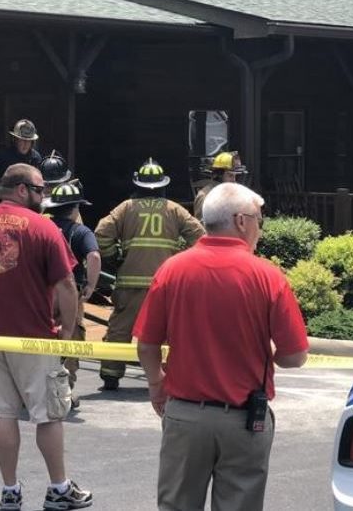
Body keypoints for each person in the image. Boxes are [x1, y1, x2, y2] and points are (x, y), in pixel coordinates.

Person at [133, 182, 308, 511]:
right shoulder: (268, 276)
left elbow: (147, 345)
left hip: (184, 414)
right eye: (259, 218)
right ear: (241, 221)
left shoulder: (172, 270)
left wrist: (157, 385)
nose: (260, 227)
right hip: (244, 420)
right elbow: (295, 356)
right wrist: (265, 356)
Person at [0, 163, 93, 511]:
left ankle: (10, 491)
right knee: (49, 414)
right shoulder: (43, 229)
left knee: (4, 413)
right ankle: (59, 488)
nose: (43, 195)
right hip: (34, 336)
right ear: (21, 189)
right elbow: (65, 285)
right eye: (40, 189)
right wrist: (69, 332)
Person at [94, 158, 204, 391]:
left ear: (139, 184)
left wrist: (113, 257)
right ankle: (167, 375)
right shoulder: (175, 210)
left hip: (130, 283)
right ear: (163, 185)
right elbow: (200, 236)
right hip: (165, 284)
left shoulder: (126, 208)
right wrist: (185, 261)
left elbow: (102, 232)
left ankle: (111, 375)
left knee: (120, 330)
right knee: (168, 331)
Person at [41, 182, 100, 403]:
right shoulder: (80, 231)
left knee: (40, 336)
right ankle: (64, 390)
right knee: (71, 337)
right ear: (75, 208)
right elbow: (93, 256)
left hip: (41, 294)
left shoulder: (41, 227)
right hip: (69, 293)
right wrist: (91, 287)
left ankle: (36, 387)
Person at [0, 119, 44, 204]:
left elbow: (40, 185)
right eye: (22, 140)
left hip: (26, 201)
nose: (25, 144)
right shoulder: (3, 156)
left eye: (28, 141)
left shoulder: (35, 158)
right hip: (2, 200)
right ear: (15, 139)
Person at [193, 151, 248, 220]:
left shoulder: (235, 195)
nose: (234, 180)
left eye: (235, 176)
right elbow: (202, 228)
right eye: (230, 175)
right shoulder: (206, 197)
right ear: (218, 175)